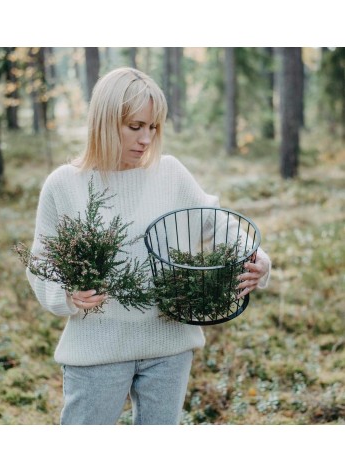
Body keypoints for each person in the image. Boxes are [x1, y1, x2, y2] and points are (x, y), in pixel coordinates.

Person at [26, 67, 271, 425]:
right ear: (105, 122)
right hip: (97, 349)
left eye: (153, 127)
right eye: (135, 126)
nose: (146, 139)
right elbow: (41, 260)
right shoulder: (65, 185)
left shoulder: (170, 173)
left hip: (169, 347)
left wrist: (256, 257)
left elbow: (213, 223)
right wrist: (65, 294)